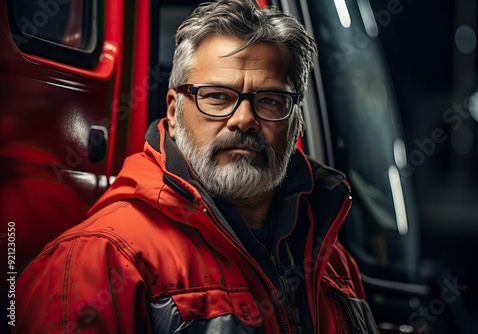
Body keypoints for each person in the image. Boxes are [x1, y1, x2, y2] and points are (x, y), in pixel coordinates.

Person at [15, 0, 379, 332]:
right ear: (173, 112)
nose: (244, 119)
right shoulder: (98, 261)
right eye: (217, 97)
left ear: (296, 122)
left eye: (270, 100)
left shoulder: (336, 266)